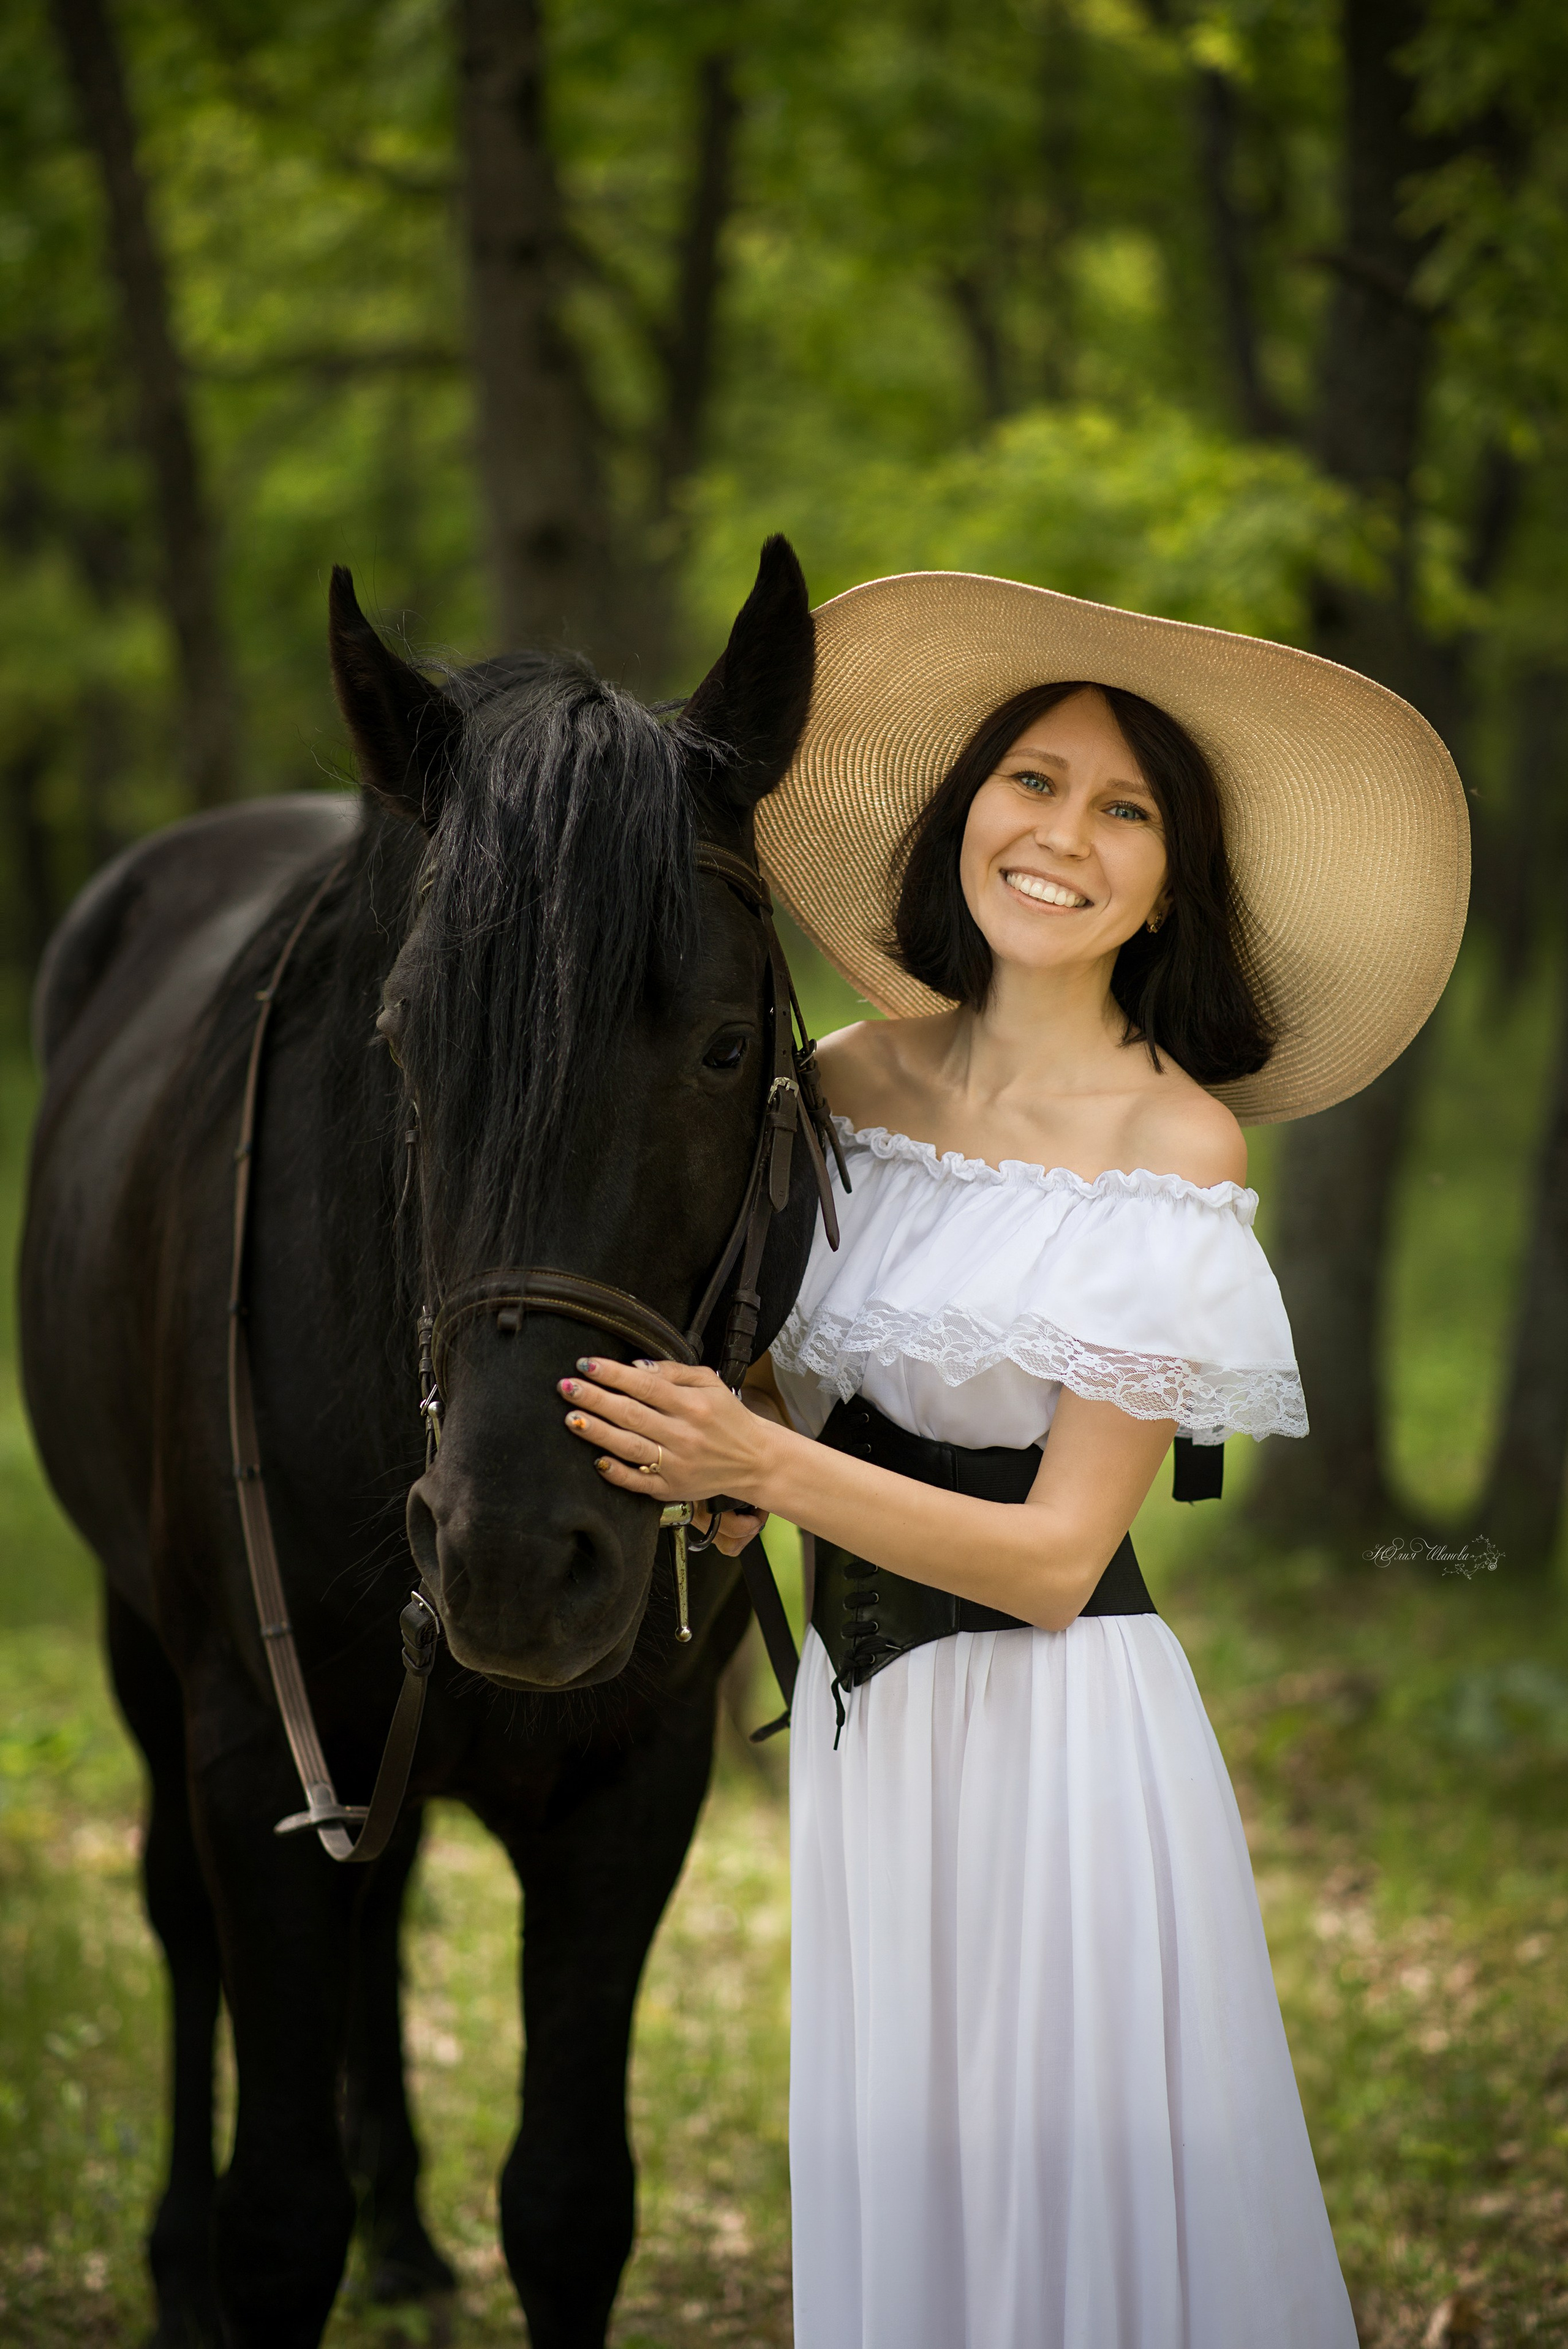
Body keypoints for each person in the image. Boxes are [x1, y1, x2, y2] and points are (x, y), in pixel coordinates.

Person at [558, 570, 1469, 2346]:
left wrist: (768, 1463)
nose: (1063, 835)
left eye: (1126, 810)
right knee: (920, 2175)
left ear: (1171, 880)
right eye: (1032, 781)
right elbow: (790, 1402)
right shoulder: (843, 1084)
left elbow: (1059, 1559)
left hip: (1057, 1743)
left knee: (1069, 2206)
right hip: (870, 1733)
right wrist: (720, 1465)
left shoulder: (1172, 1146)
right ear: (964, 815)